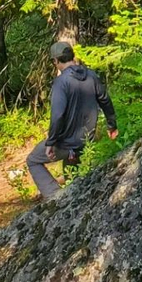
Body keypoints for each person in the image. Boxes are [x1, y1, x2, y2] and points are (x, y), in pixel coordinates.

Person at [26, 41, 118, 200]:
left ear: (55, 61)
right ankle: (72, 201)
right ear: (72, 55)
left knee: (33, 160)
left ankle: (55, 198)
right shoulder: (91, 75)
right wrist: (112, 125)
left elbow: (57, 116)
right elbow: (105, 101)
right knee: (72, 176)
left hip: (65, 142)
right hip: (86, 140)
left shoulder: (61, 83)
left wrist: (51, 142)